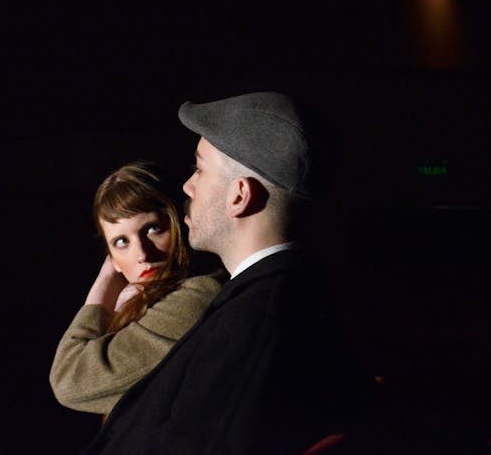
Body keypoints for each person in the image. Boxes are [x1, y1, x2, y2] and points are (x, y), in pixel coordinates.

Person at [83, 92, 386, 454]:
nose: (187, 186)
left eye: (199, 169)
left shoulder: (253, 321)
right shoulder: (278, 297)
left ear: (239, 196)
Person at [49, 161, 224, 416]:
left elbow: (69, 380)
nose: (142, 253)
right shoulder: (132, 307)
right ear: (111, 257)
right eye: (121, 242)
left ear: (179, 221)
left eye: (153, 229)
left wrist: (102, 286)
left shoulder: (199, 293)